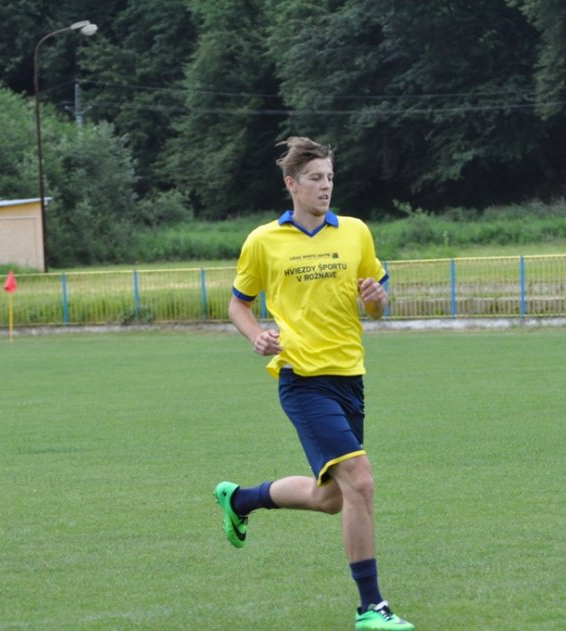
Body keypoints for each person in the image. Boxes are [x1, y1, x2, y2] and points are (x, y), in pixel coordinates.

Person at [214, 136, 414, 631]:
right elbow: (238, 303)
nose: (325, 186)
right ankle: (371, 607)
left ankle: (240, 499)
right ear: (292, 184)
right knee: (360, 480)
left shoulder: (356, 232)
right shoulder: (264, 241)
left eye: (329, 178)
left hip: (350, 376)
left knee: (334, 498)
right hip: (302, 379)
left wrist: (376, 299)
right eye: (315, 178)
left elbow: (376, 303)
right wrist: (256, 335)